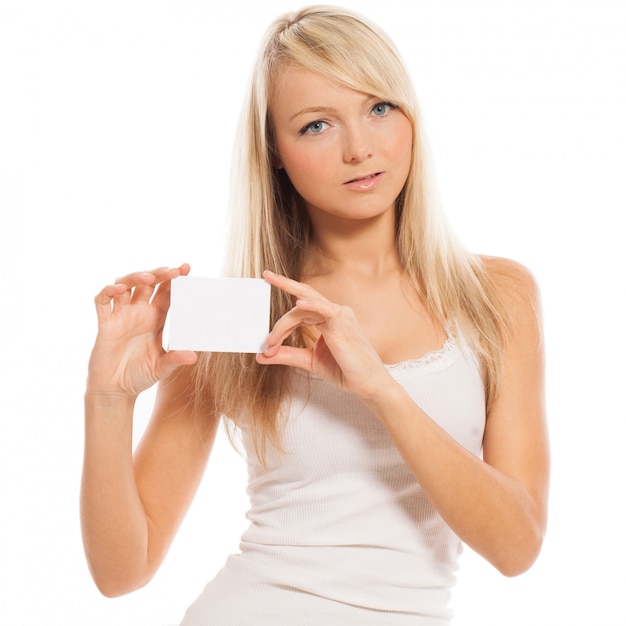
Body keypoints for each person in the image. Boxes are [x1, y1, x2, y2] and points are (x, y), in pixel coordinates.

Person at [80, 5, 549, 625]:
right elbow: (121, 572)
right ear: (275, 150)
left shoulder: (496, 294)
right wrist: (107, 400)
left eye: (379, 108)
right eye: (317, 125)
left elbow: (517, 547)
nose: (360, 148)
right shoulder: (238, 310)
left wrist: (380, 388)